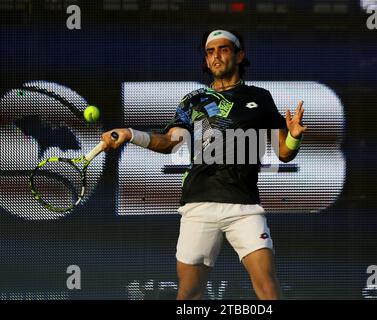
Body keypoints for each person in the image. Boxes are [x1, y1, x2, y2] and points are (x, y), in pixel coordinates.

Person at [101, 29, 307, 300]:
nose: (216, 56)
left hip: (244, 206)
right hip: (198, 204)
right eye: (210, 52)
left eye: (223, 49)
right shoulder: (192, 101)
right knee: (189, 294)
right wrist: (130, 134)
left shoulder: (261, 98)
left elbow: (284, 153)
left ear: (239, 55)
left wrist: (293, 137)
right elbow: (169, 142)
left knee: (268, 290)